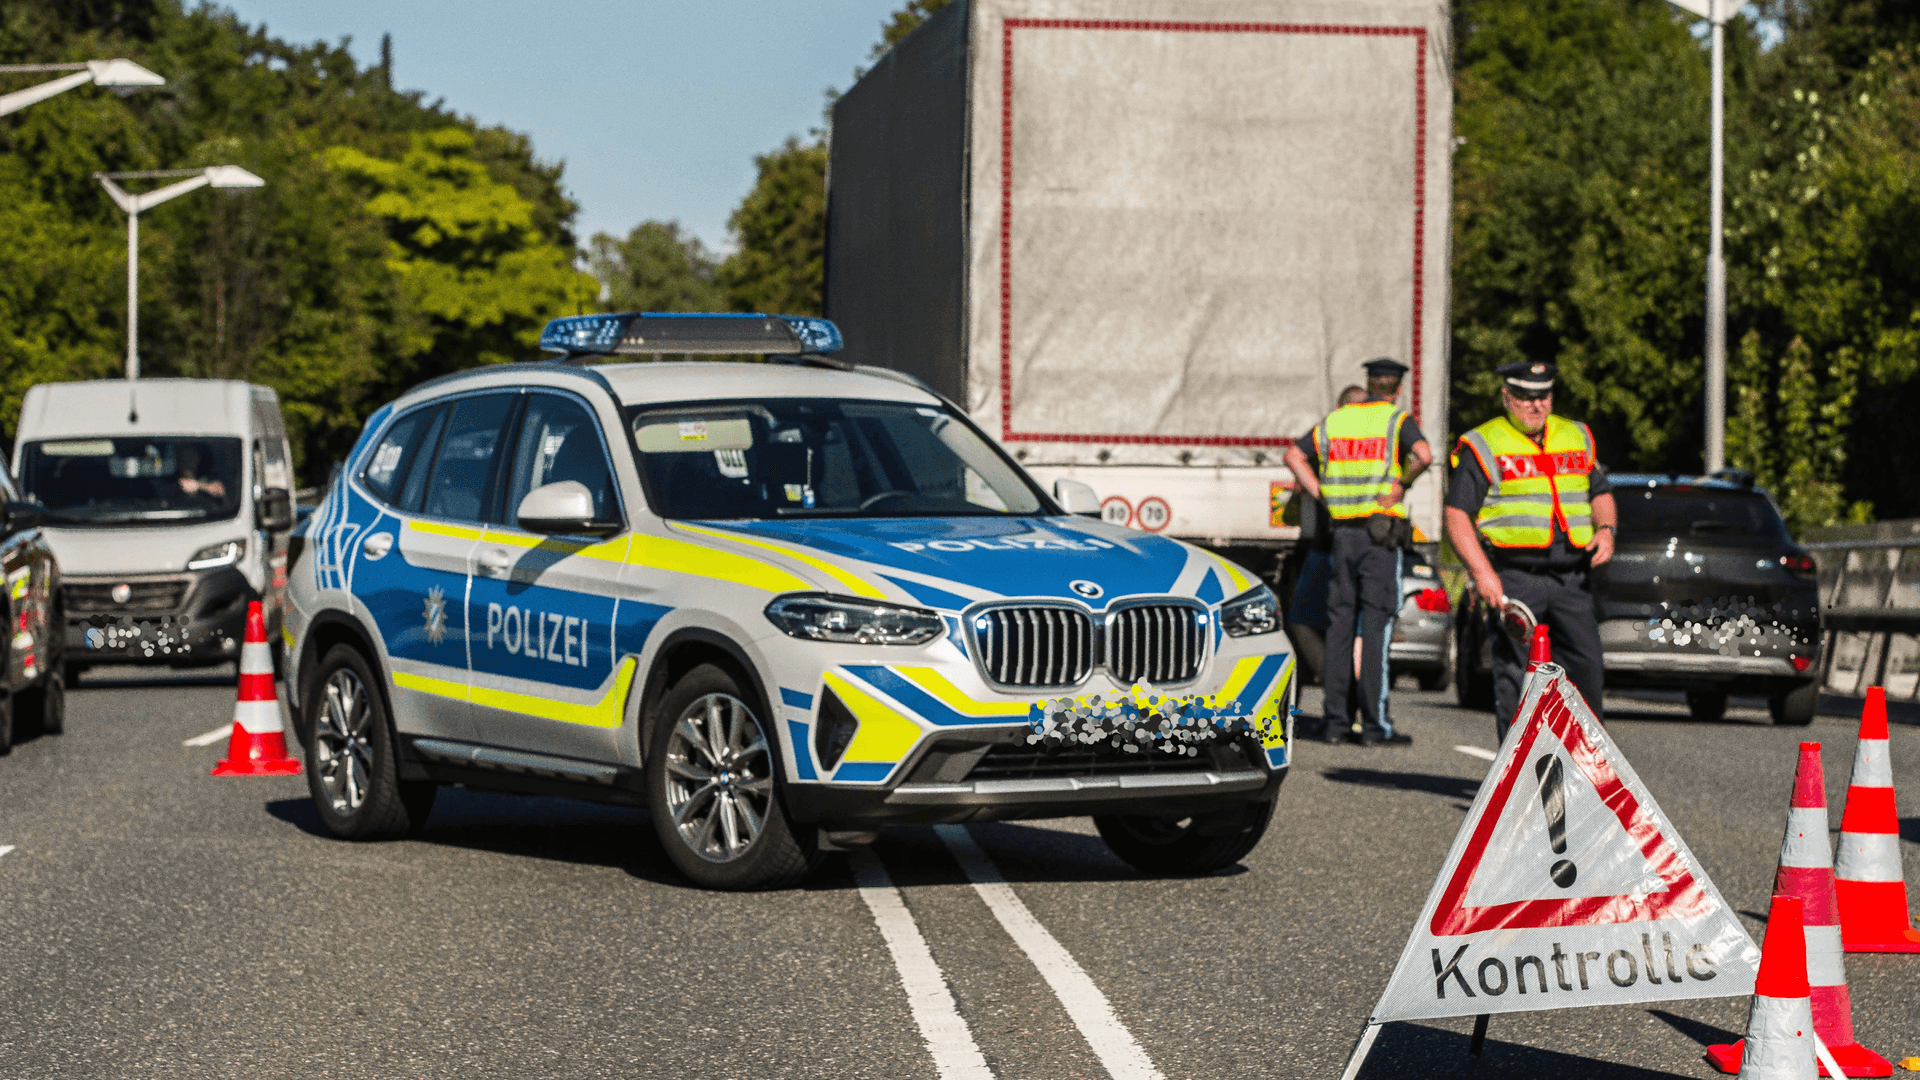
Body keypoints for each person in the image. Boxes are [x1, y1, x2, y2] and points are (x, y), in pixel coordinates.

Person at [1442, 360, 1617, 740]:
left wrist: (1606, 529)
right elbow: (1457, 514)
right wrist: (1483, 574)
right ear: (1506, 397)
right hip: (1515, 576)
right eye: (1524, 397)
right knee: (1517, 681)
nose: (1535, 405)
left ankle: (1585, 776)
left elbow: (1599, 491)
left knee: (1587, 672)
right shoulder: (1484, 442)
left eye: (1543, 396)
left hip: (1572, 576)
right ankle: (1519, 783)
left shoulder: (1576, 435)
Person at [1284, 359, 1432, 745]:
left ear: (1368, 384)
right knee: (1376, 628)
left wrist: (1322, 495)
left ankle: (1334, 723)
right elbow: (1424, 455)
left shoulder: (1335, 422)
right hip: (1378, 536)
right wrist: (1401, 484)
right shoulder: (1396, 421)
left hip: (1341, 535)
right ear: (1396, 388)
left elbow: (1293, 456)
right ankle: (1373, 725)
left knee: (1339, 628)